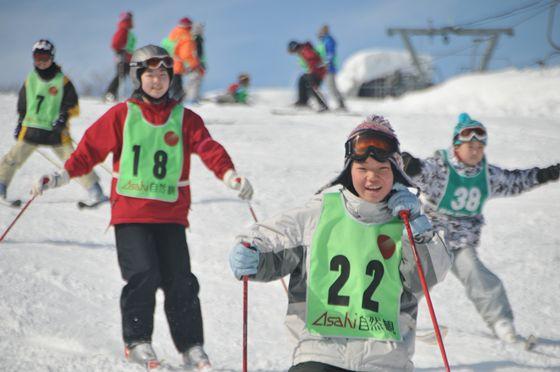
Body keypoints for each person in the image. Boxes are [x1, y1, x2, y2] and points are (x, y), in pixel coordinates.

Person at [31, 45, 254, 370]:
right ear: (138, 77)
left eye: (163, 73)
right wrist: (62, 175)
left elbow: (208, 148)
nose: (157, 80)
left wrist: (230, 174)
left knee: (181, 280)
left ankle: (192, 347)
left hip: (171, 215)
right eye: (150, 73)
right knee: (143, 275)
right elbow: (90, 149)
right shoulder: (123, 115)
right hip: (131, 214)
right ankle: (137, 342)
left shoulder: (184, 118)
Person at [229, 115, 451, 371]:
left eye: (382, 170)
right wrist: (251, 252)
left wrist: (417, 229)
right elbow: (271, 239)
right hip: (320, 354)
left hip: (385, 361)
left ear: (397, 174)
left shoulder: (406, 222)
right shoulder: (320, 212)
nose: (372, 178)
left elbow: (430, 273)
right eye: (363, 169)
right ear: (348, 171)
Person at [401, 113, 560, 343]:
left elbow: (516, 181)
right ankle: (397, 316)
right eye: (469, 145)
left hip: (462, 242)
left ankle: (501, 322)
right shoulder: (442, 168)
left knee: (478, 275)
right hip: (433, 240)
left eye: (479, 146)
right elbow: (422, 173)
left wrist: (547, 174)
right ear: (456, 145)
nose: (475, 151)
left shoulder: (487, 174)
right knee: (417, 277)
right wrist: (412, 166)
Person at [0, 39, 107, 206]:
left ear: (52, 58)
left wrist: (63, 118)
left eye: (45, 58)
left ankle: (95, 191)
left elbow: (73, 105)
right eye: (38, 58)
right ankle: (0, 188)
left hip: (54, 132)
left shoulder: (62, 81)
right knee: (12, 158)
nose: (41, 62)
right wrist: (20, 122)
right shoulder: (31, 79)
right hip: (31, 129)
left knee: (75, 160)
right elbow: (23, 103)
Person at [162, 17, 204, 102]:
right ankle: (179, 103)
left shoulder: (174, 32)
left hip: (169, 63)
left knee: (172, 85)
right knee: (178, 87)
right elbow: (186, 54)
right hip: (178, 65)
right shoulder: (186, 37)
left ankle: (171, 101)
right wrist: (194, 65)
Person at [287, 40, 329, 112]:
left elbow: (313, 58)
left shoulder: (305, 49)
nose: (294, 53)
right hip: (315, 71)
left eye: (292, 51)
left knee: (313, 87)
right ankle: (303, 101)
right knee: (302, 79)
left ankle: (323, 105)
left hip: (318, 72)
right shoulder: (303, 50)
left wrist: (312, 70)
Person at [104, 11, 136, 103]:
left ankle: (136, 95)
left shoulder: (126, 31)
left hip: (129, 58)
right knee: (120, 76)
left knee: (131, 76)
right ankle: (110, 93)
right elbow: (115, 43)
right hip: (123, 57)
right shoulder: (123, 30)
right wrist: (120, 51)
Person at [316, 25, 346, 110]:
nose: (318, 34)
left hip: (329, 68)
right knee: (329, 87)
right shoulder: (323, 41)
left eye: (320, 31)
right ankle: (338, 104)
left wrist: (326, 63)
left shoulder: (328, 40)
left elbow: (330, 53)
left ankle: (341, 104)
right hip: (323, 68)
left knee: (332, 87)